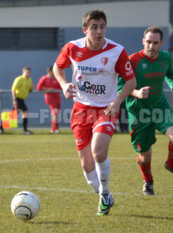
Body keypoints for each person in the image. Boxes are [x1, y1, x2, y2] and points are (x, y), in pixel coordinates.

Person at [53, 10, 137, 215]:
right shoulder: (72, 48)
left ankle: (105, 193)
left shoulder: (117, 51)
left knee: (98, 152)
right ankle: (104, 195)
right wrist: (64, 85)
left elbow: (131, 81)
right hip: (80, 109)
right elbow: (57, 67)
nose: (99, 31)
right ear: (85, 30)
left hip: (106, 109)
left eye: (102, 26)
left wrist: (117, 102)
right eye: (94, 27)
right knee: (86, 163)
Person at [118, 26, 173, 196]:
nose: (151, 46)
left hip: (160, 106)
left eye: (155, 43)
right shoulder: (132, 60)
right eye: (148, 42)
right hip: (138, 112)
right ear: (143, 41)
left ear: (161, 43)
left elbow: (170, 74)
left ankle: (171, 165)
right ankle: (148, 181)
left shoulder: (166, 58)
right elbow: (120, 86)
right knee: (145, 156)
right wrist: (136, 92)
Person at [0, 66, 34, 135]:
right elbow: (13, 89)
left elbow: (29, 90)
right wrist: (14, 100)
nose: (28, 74)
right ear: (23, 72)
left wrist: (31, 89)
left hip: (22, 99)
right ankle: (25, 130)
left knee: (13, 114)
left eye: (29, 72)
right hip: (17, 98)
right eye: (27, 72)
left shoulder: (29, 80)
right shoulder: (19, 79)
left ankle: (1, 127)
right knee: (24, 112)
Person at [37, 66, 62, 133]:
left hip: (57, 98)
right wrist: (47, 89)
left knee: (57, 114)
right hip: (50, 98)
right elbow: (39, 88)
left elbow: (61, 88)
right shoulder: (44, 78)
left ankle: (55, 129)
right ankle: (54, 129)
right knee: (55, 113)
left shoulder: (56, 79)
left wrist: (55, 90)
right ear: (50, 71)